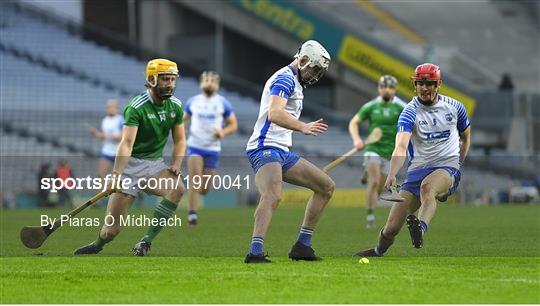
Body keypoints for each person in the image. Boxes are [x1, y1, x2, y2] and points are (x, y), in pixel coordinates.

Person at [355, 63, 471, 256]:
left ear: (438, 84)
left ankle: (420, 228)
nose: (425, 88)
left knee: (428, 188)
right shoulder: (409, 112)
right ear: (415, 85)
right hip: (416, 172)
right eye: (420, 83)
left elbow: (465, 136)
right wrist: (392, 173)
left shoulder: (455, 107)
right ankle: (378, 251)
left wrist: (458, 164)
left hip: (446, 167)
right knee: (391, 228)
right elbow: (401, 146)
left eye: (430, 83)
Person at [74, 58, 186, 256]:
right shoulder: (136, 107)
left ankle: (145, 241)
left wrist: (176, 163)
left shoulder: (175, 106)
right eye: (165, 79)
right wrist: (116, 175)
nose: (170, 84)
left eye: (172, 79)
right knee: (111, 231)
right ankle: (97, 244)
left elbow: (180, 140)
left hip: (154, 166)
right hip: (128, 168)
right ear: (152, 80)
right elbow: (126, 144)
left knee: (177, 189)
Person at [244, 40, 335, 263]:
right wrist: (303, 126)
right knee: (273, 195)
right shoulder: (285, 79)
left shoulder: (295, 81)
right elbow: (275, 113)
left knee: (326, 187)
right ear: (303, 60)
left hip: (282, 151)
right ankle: (255, 252)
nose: (315, 75)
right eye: (314, 68)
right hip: (264, 147)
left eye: (319, 71)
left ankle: (302, 246)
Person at [348, 75, 406, 228]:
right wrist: (357, 140)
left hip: (390, 152)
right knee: (374, 182)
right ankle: (370, 216)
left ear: (395, 89)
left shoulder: (402, 107)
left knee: (381, 188)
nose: (387, 90)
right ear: (379, 88)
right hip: (373, 148)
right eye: (383, 87)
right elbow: (354, 122)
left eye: (390, 87)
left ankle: (366, 172)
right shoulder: (371, 106)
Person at [183, 71, 238, 225]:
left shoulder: (223, 103)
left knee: (205, 188)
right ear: (201, 83)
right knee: (195, 181)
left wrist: (222, 132)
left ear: (217, 84)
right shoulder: (193, 101)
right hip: (195, 146)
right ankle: (192, 214)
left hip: (212, 148)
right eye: (206, 80)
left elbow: (233, 124)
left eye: (212, 81)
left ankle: (196, 195)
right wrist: (182, 131)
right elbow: (181, 120)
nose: (209, 83)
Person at [87, 99, 123, 178]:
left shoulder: (120, 119)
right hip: (107, 152)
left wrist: (109, 136)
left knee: (122, 177)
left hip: (119, 153)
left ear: (117, 108)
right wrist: (95, 133)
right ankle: (100, 191)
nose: (111, 109)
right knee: (100, 175)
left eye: (113, 107)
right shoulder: (105, 120)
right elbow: (103, 137)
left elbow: (122, 136)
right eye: (109, 107)